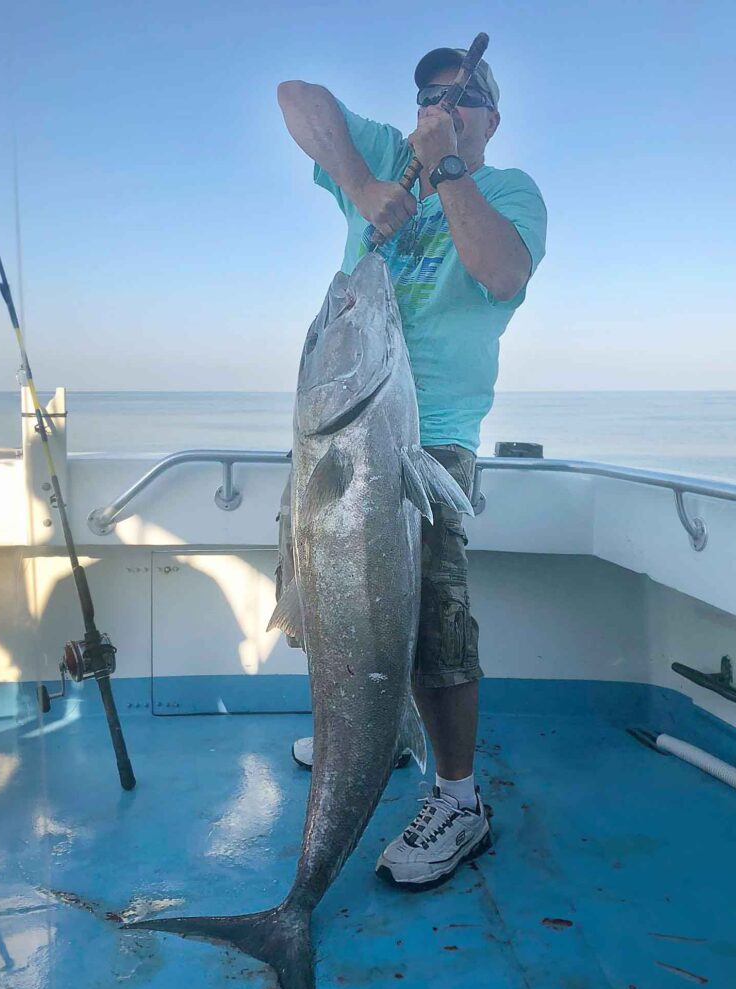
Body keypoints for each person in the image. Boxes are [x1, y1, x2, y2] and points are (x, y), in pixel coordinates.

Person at [275, 47, 547, 887]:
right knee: (312, 591)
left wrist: (449, 170)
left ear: (490, 119)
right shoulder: (383, 156)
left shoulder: (510, 193)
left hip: (430, 438)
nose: (444, 105)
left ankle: (459, 799)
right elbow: (296, 94)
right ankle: (372, 728)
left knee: (433, 616)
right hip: (333, 420)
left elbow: (501, 272)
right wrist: (362, 185)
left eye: (465, 98)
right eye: (432, 96)